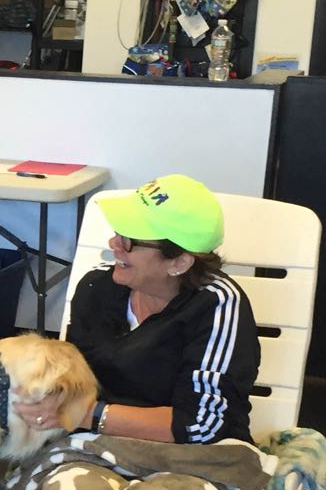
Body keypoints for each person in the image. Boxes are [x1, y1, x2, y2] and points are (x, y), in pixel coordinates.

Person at [16, 174, 259, 444]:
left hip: (191, 458)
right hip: (94, 448)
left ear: (179, 262)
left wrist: (86, 415)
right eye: (118, 232)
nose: (114, 245)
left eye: (129, 239)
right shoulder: (97, 287)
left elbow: (201, 424)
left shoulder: (217, 306)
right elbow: (73, 383)